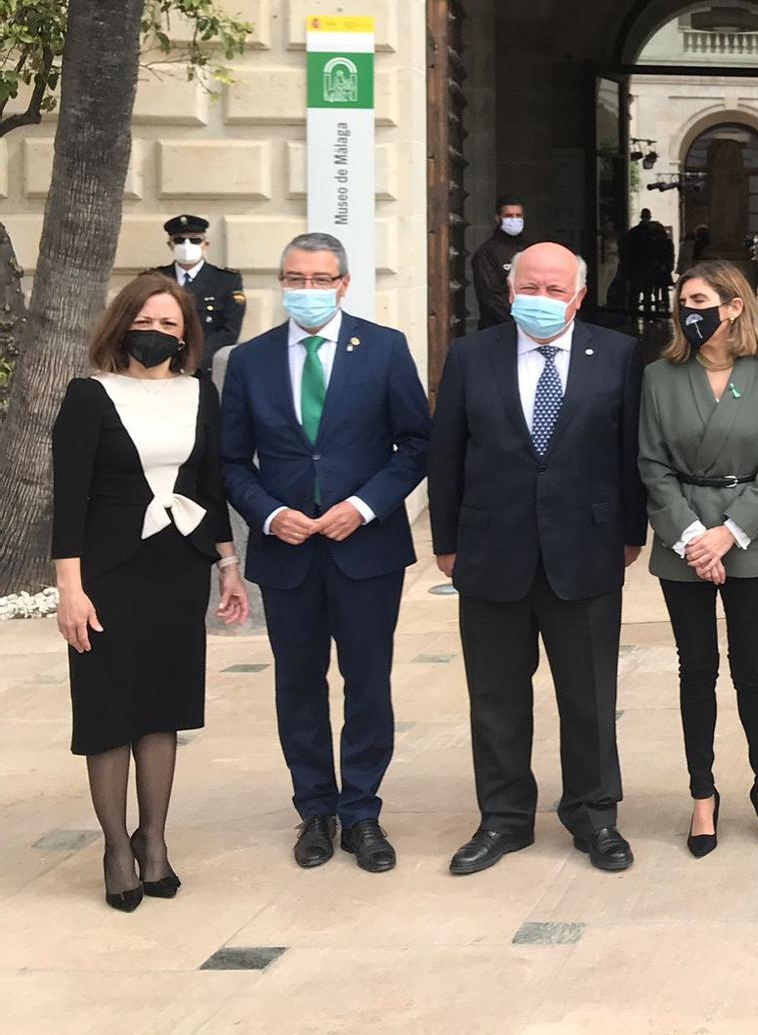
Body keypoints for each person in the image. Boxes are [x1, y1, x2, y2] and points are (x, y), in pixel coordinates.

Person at [428, 242, 647, 876]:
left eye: (556, 290)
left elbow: (628, 452)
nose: (542, 300)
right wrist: (446, 541)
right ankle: (503, 818)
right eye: (531, 287)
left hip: (586, 551)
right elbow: (446, 455)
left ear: (578, 296)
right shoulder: (473, 356)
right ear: (509, 290)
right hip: (491, 550)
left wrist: (631, 532)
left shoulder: (617, 354)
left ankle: (594, 815)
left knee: (590, 696)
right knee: (495, 697)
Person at [220, 232, 431, 873]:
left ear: (343, 283)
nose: (306, 291)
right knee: (298, 685)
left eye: (319, 279)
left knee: (367, 683)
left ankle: (362, 812)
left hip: (365, 549)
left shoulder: (385, 350)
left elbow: (415, 446)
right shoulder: (250, 361)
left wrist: (363, 507)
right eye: (294, 278)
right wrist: (269, 513)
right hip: (286, 553)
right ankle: (315, 808)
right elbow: (230, 460)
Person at [52, 275, 249, 910]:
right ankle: (115, 847)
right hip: (108, 573)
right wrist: (70, 589)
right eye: (147, 321)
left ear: (187, 335)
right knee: (111, 712)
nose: (157, 333)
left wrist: (228, 565)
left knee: (162, 709)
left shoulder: (201, 394)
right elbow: (69, 501)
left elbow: (211, 486)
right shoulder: (89, 396)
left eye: (170, 325)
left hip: (176, 568)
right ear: (121, 323)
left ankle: (154, 839)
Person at [637, 261, 758, 856]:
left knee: (752, 670)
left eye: (700, 298)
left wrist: (728, 534)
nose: (688, 309)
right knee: (696, 670)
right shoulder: (660, 375)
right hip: (683, 540)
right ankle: (702, 795)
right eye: (683, 300)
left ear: (733, 306)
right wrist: (691, 538)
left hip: (750, 539)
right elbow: (651, 464)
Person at [155, 214, 244, 371]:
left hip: (205, 367)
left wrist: (194, 359)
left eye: (195, 240)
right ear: (170, 245)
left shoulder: (226, 281)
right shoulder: (154, 278)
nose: (186, 245)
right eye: (179, 240)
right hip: (161, 364)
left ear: (205, 245)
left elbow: (230, 330)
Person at [469, 196, 527, 330]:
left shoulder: (529, 249)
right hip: (498, 327)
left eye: (518, 215)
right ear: (498, 218)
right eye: (509, 216)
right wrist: (518, 321)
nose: (514, 220)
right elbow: (490, 297)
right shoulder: (486, 253)